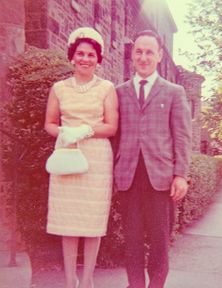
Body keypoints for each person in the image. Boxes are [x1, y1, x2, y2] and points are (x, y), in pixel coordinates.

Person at [114, 30, 192, 288]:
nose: (143, 57)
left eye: (149, 52)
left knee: (159, 241)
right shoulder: (118, 92)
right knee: (132, 240)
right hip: (128, 178)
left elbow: (182, 136)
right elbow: (115, 137)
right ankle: (134, 285)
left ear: (159, 55)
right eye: (139, 51)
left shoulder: (174, 92)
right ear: (132, 55)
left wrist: (180, 174)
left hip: (160, 179)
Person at [44, 27, 118, 288]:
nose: (85, 59)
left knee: (91, 220)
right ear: (72, 57)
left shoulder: (107, 88)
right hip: (67, 154)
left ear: (98, 59)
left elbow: (111, 127)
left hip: (96, 158)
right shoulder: (59, 88)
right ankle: (69, 280)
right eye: (80, 54)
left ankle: (87, 280)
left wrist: (86, 130)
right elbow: (49, 124)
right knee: (69, 220)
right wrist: (66, 132)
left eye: (91, 55)